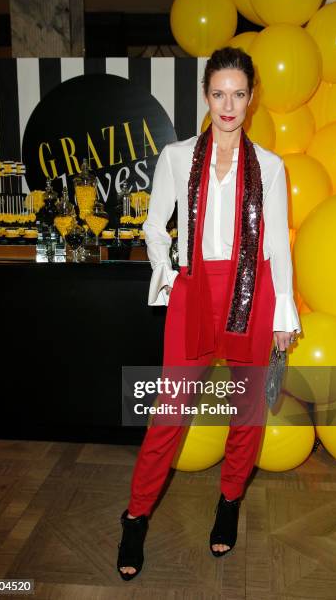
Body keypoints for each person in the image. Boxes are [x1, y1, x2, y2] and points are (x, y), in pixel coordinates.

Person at [117, 47, 302, 581]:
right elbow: (155, 227)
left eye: (238, 94)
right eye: (218, 93)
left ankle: (229, 503)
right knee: (168, 415)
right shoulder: (176, 157)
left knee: (247, 413)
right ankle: (135, 516)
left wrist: (284, 314)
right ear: (205, 96)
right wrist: (171, 276)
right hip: (195, 293)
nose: (228, 104)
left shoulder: (270, 166)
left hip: (252, 293)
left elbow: (276, 247)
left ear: (251, 97)